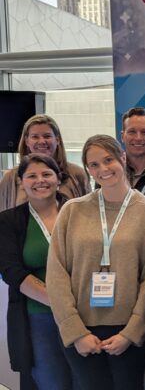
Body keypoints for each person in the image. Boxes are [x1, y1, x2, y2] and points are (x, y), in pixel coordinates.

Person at [46, 134, 145, 390]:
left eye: (108, 160)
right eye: (94, 165)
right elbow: (56, 274)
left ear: (123, 158)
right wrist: (75, 332)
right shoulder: (72, 210)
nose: (103, 169)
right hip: (81, 328)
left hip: (128, 332)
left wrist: (131, 333)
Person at [0, 154, 75, 390]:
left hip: (86, 315)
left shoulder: (79, 212)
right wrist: (59, 302)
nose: (39, 180)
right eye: (31, 175)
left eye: (46, 174)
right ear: (21, 181)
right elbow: (11, 272)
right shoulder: (9, 221)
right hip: (38, 317)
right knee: (52, 384)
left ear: (58, 178)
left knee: (87, 382)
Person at [0, 114, 90, 212]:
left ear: (57, 140)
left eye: (47, 136)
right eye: (35, 137)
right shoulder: (10, 178)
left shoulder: (77, 174)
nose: (42, 141)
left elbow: (88, 213)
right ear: (26, 141)